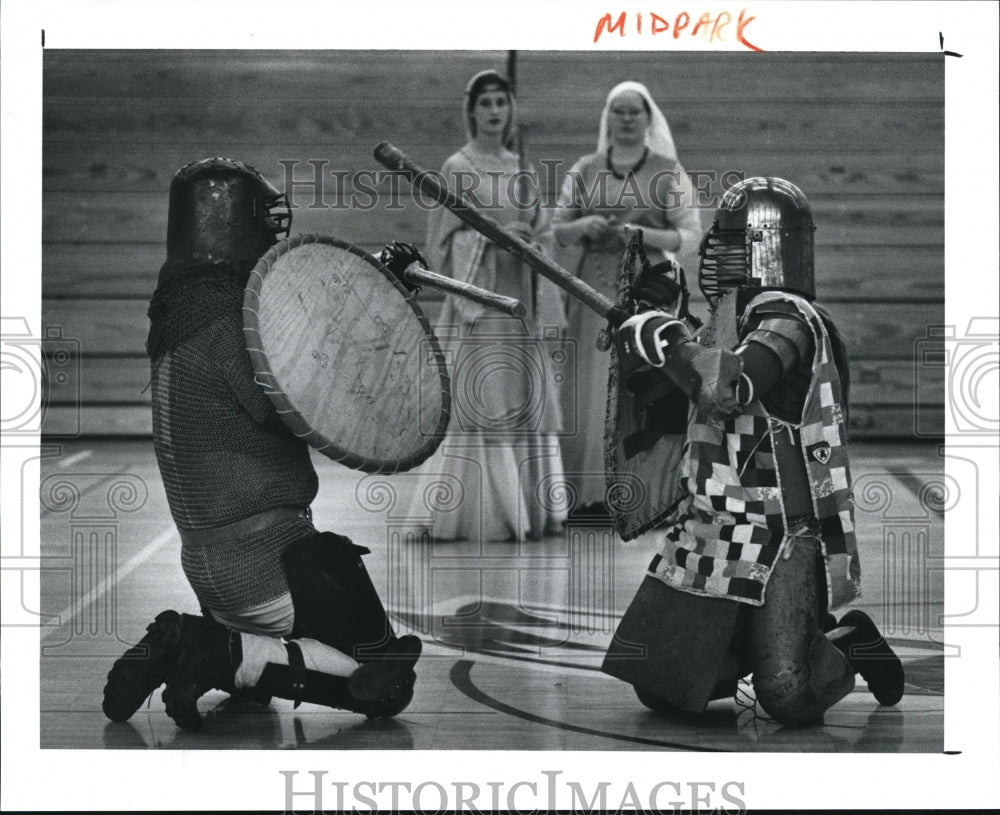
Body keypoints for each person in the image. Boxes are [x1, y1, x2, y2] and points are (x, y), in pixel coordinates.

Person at [101, 157, 422, 731]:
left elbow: (294, 337)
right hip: (267, 565)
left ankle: (212, 649)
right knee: (385, 683)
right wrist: (382, 300)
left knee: (258, 700)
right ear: (231, 220)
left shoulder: (182, 308)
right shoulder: (227, 316)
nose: (274, 230)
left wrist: (375, 277)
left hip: (211, 565)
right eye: (262, 218)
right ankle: (209, 648)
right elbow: (310, 389)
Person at [601, 177, 904, 725]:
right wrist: (643, 340)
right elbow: (665, 403)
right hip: (715, 523)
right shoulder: (726, 319)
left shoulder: (791, 319)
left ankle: (846, 644)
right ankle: (747, 642)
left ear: (766, 246)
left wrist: (665, 339)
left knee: (788, 694)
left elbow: (726, 389)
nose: (717, 253)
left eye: (733, 241)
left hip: (778, 530)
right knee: (662, 688)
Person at [403, 70, 566, 542]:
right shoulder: (457, 167)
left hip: (521, 303)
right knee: (485, 399)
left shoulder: (522, 167)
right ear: (471, 110)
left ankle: (532, 512)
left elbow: (543, 231)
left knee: (523, 399)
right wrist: (493, 241)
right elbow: (441, 240)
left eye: (502, 102)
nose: (495, 111)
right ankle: (485, 515)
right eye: (486, 102)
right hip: (480, 304)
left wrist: (532, 241)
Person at [546, 81, 702, 519]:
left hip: (646, 297)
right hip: (591, 293)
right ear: (607, 117)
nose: (628, 118)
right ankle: (586, 496)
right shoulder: (585, 169)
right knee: (588, 391)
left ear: (649, 118)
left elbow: (690, 235)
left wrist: (641, 234)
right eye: (620, 110)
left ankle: (640, 495)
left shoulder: (669, 170)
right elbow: (556, 227)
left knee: (640, 393)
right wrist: (584, 227)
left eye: (636, 111)